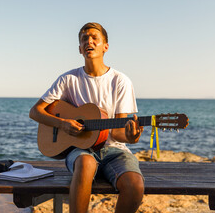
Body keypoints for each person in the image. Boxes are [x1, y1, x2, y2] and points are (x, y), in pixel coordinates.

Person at [29, 22, 144, 213]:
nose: (88, 41)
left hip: (114, 150)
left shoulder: (120, 81)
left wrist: (131, 137)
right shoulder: (68, 80)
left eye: (94, 38)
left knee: (135, 185)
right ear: (80, 49)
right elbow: (35, 111)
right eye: (84, 39)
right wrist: (63, 124)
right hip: (79, 150)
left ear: (105, 46)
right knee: (86, 162)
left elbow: (117, 131)